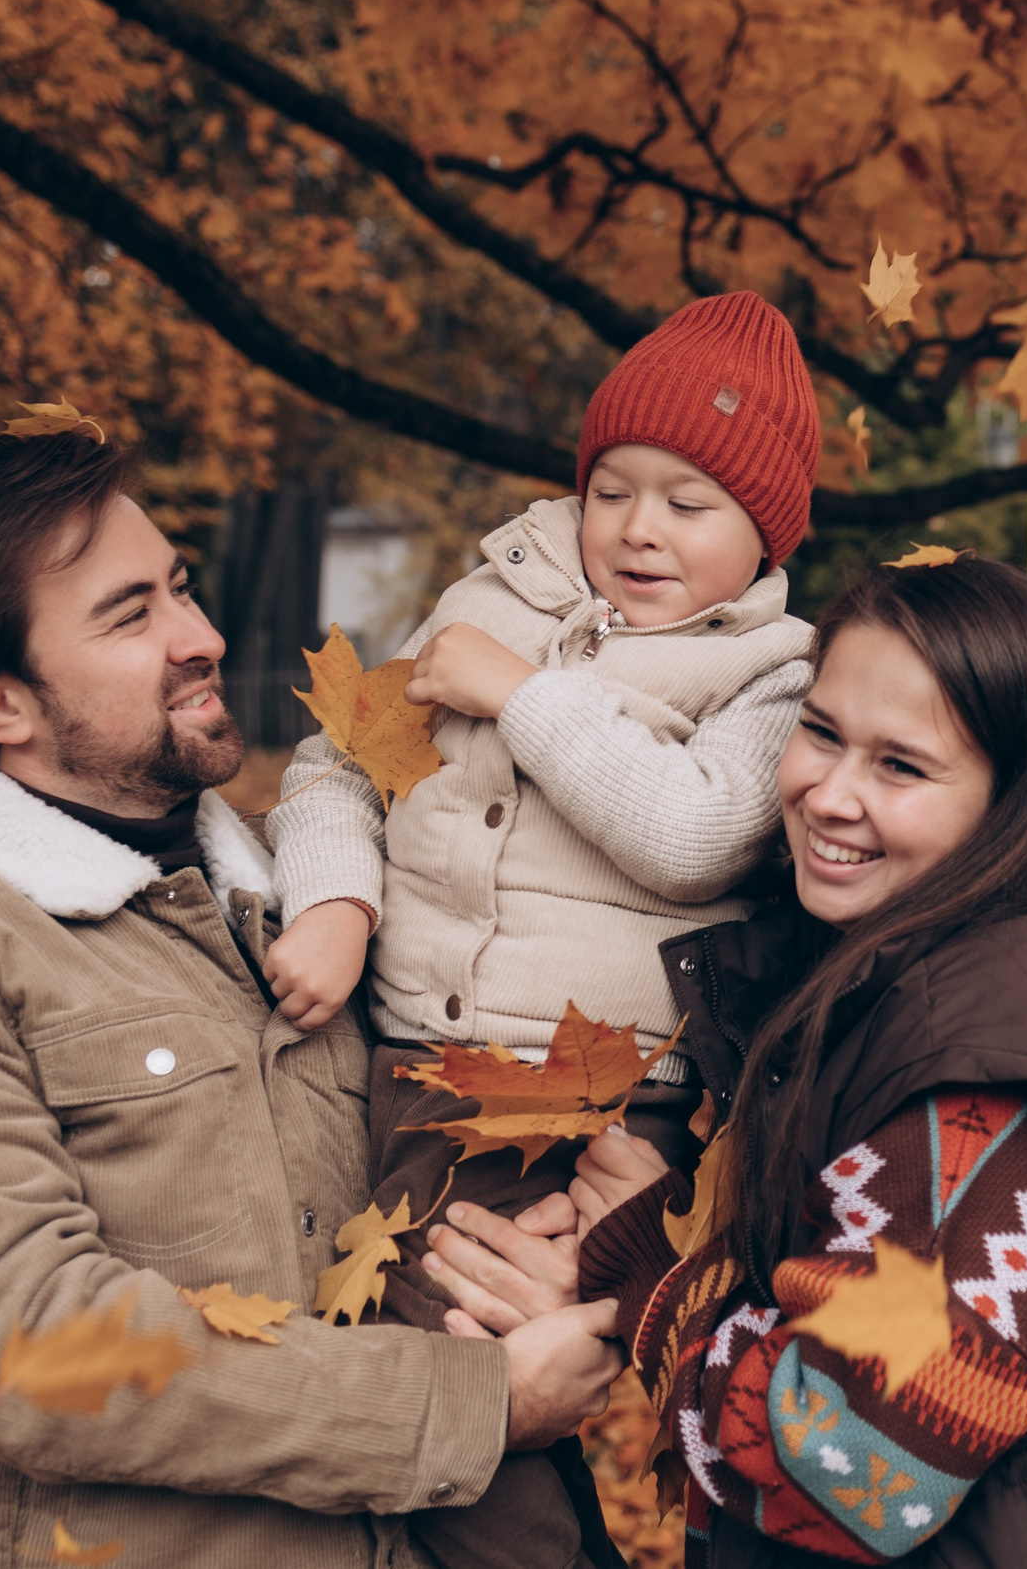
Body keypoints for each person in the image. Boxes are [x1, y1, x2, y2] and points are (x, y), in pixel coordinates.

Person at [0, 432, 622, 1567]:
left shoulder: (320, 897)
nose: (202, 637)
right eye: (131, 616)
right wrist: (471, 1403)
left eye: (181, 585)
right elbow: (32, 1352)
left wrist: (561, 1246)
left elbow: (452, 1141)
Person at [546, 555, 1027, 1566]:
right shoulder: (885, 968)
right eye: (820, 733)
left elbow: (857, 1466)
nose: (828, 794)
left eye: (900, 766)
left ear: (1012, 801)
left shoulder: (994, 1070)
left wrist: (655, 1286)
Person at [258, 290, 821, 1569]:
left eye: (691, 504)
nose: (638, 528)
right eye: (612, 488)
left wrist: (523, 700)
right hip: (423, 1061)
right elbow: (337, 765)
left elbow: (696, 836)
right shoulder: (484, 597)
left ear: (765, 530)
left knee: (451, 1355)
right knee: (438, 1355)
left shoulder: (773, 675)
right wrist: (338, 903)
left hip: (600, 1085)